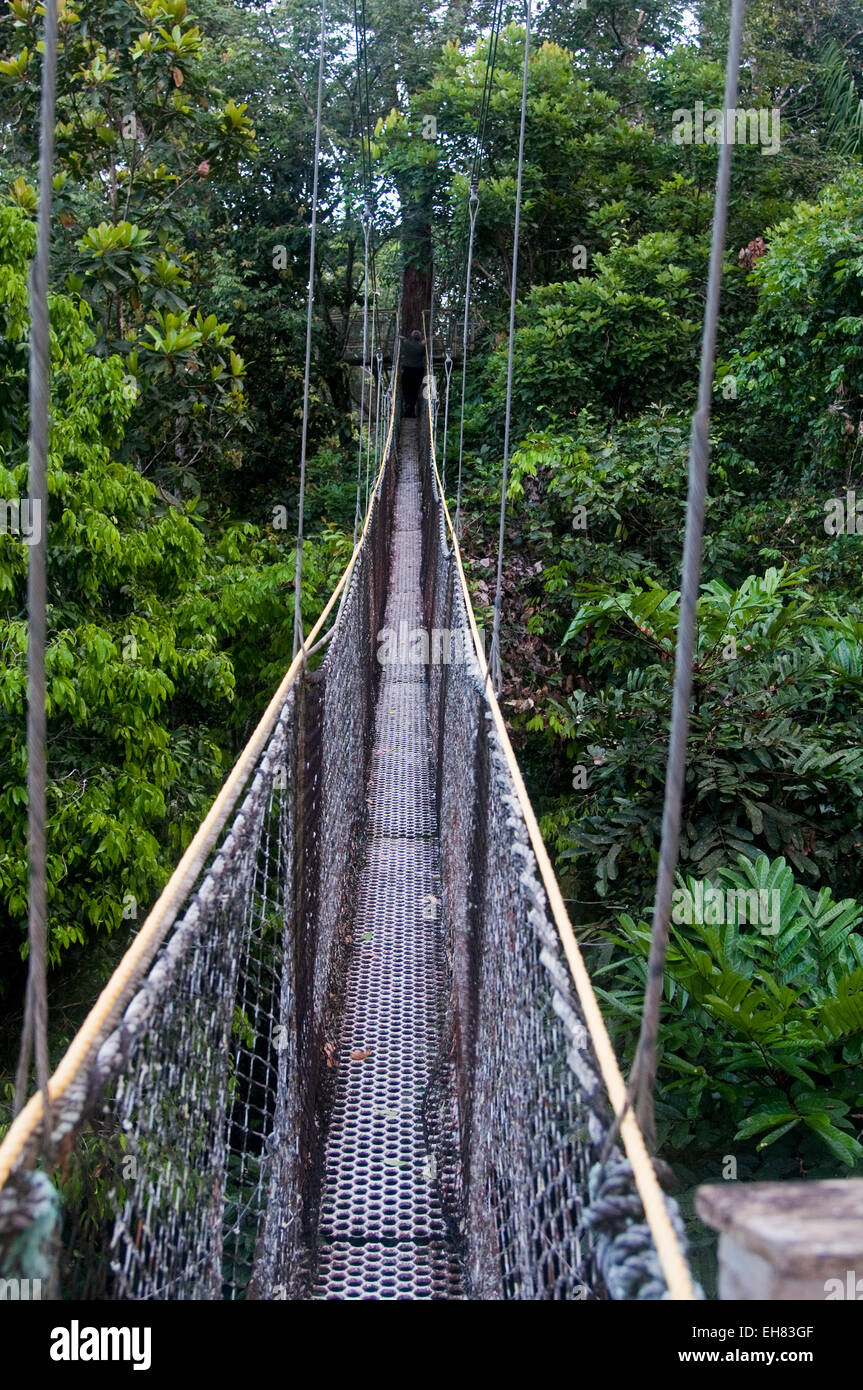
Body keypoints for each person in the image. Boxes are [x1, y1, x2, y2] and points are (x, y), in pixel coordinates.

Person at [400, 329, 426, 417]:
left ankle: (408, 405)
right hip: (418, 371)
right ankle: (411, 407)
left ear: (412, 337)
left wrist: (399, 337)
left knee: (406, 389)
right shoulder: (422, 346)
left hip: (407, 370)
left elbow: (403, 339)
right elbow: (423, 354)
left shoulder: (407, 343)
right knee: (415, 390)